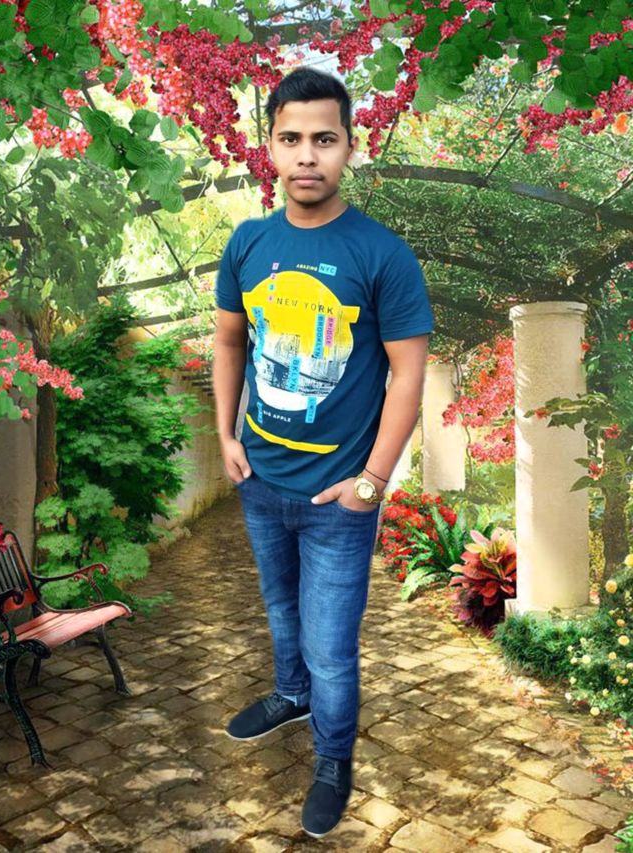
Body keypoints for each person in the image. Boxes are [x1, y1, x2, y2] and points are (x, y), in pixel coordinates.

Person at [213, 66, 434, 839]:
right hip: (261, 480)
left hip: (340, 495)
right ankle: (290, 693)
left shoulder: (382, 253)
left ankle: (333, 760)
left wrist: (372, 480)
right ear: (270, 147)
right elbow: (229, 341)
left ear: (349, 147)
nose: (307, 154)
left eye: (324, 139)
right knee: (280, 611)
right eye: (291, 138)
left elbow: (409, 374)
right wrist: (225, 434)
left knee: (332, 648)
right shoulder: (248, 243)